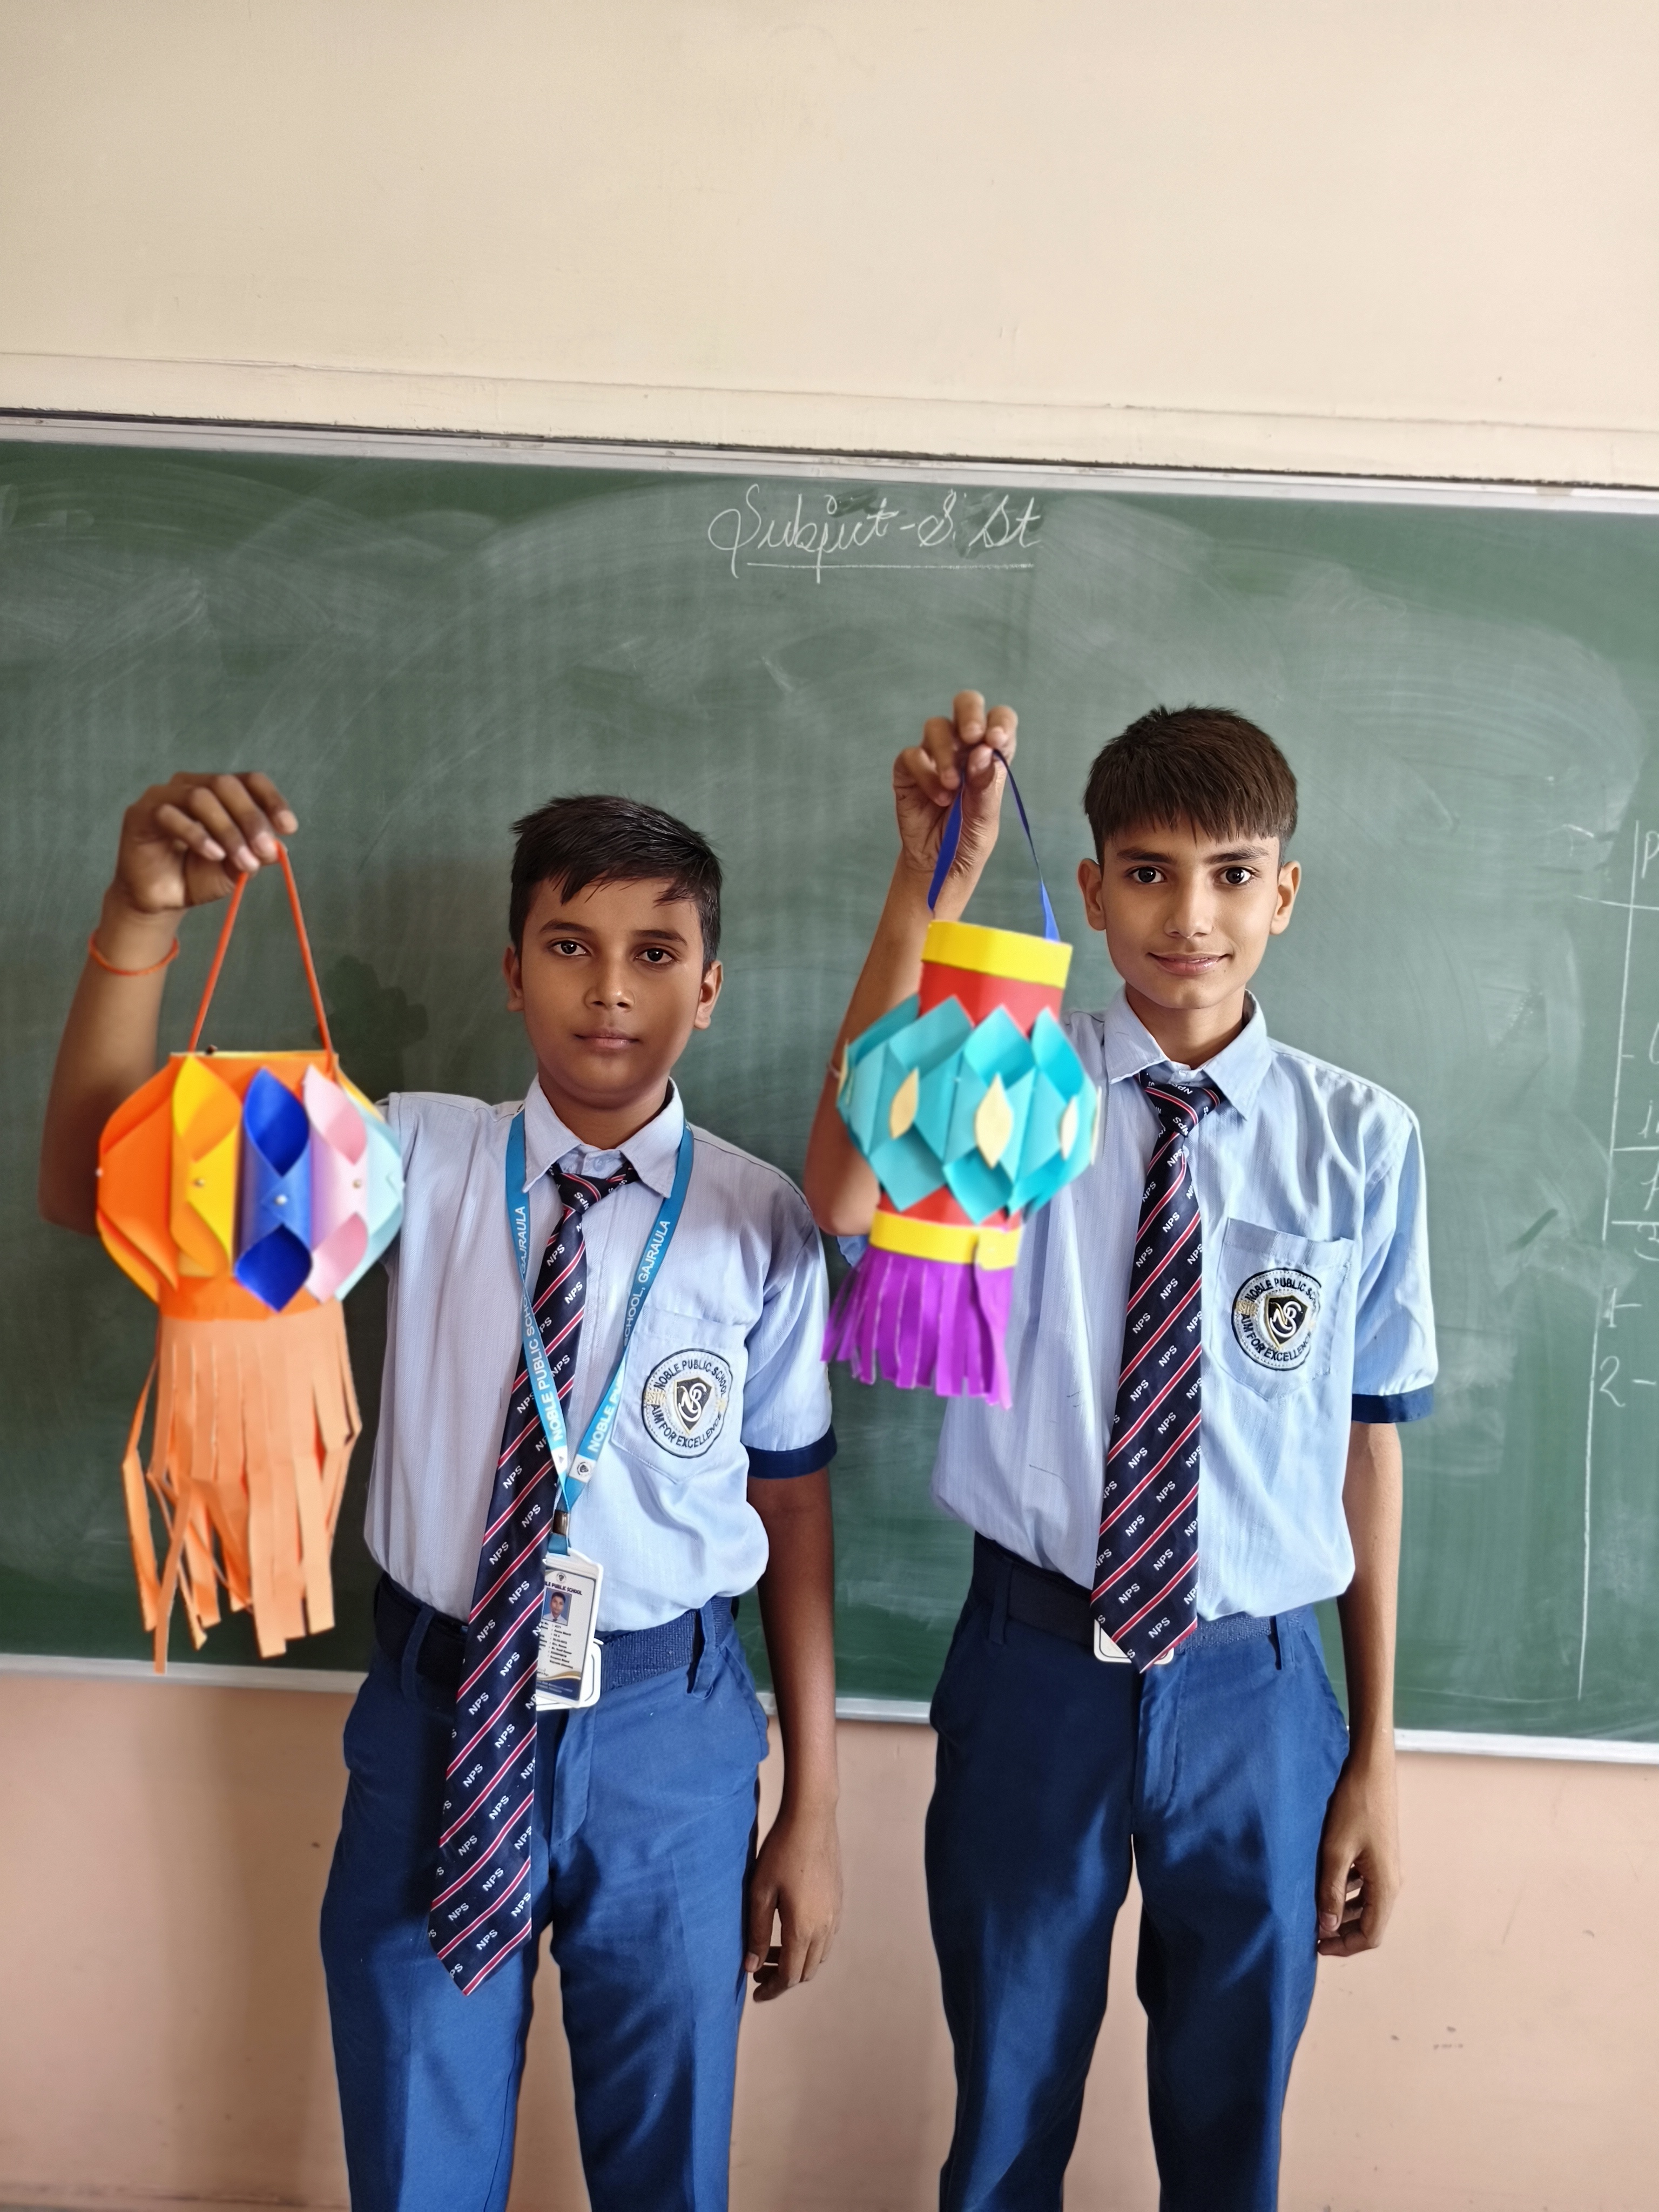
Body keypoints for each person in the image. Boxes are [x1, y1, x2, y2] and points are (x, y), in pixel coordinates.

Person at [39, 773, 842, 2212]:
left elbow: (792, 1509)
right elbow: (99, 1183)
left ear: (710, 988)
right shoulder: (408, 1153)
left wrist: (815, 1810)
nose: (611, 989)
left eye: (656, 952)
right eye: (569, 946)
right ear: (513, 971)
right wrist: (138, 918)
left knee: (671, 2161)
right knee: (417, 2156)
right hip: (438, 1713)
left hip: (670, 1732)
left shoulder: (762, 1218)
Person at [804, 694, 1434, 2212]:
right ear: (1090, 893)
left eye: (1232, 875)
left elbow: (1369, 1452)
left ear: (1284, 893)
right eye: (1148, 873)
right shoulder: (1015, 1083)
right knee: (1007, 2109)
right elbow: (841, 1196)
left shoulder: (1363, 1143)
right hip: (1035, 1667)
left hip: (1258, 1692)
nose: (1190, 916)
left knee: (1231, 2123)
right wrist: (932, 884)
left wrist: (1374, 1754)